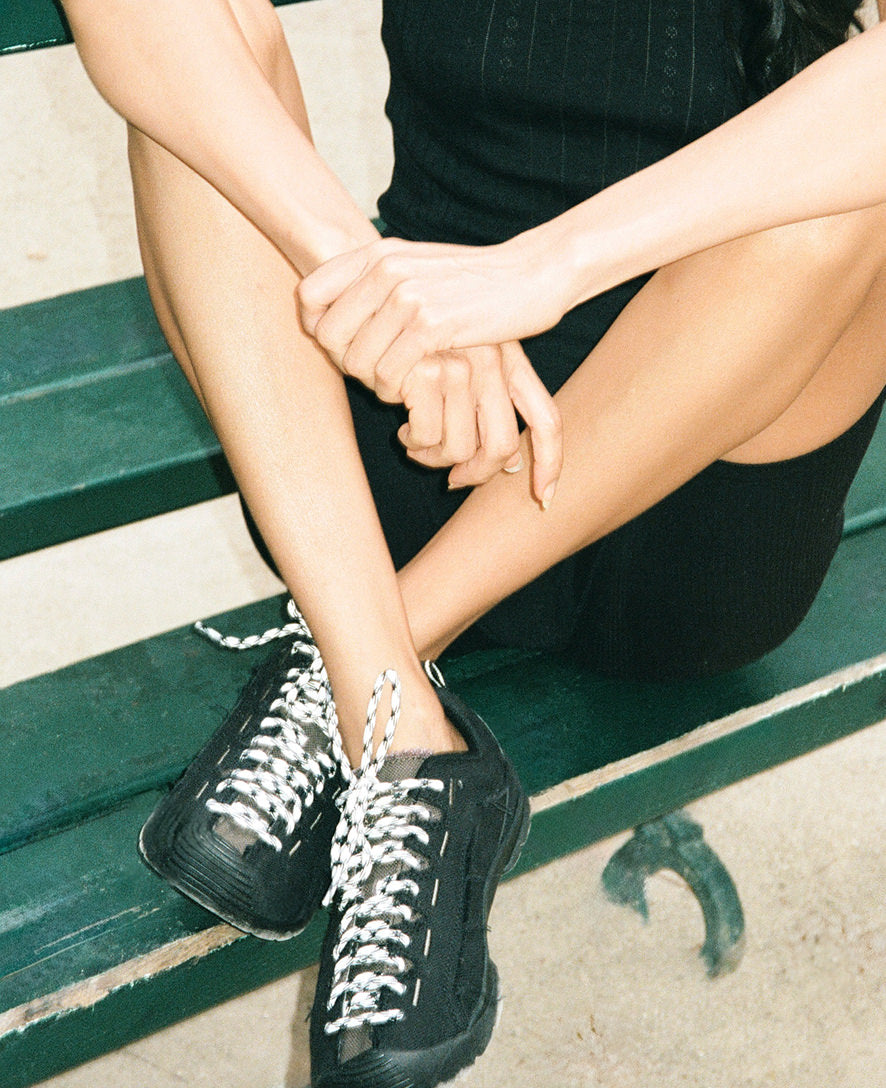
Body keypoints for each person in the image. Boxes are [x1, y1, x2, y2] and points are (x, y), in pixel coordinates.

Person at [60, 1, 886, 1085]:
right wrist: (374, 283)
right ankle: (399, 721)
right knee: (196, 115)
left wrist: (539, 271)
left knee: (847, 191)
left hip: (700, 509)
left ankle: (361, 668)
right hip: (425, 435)